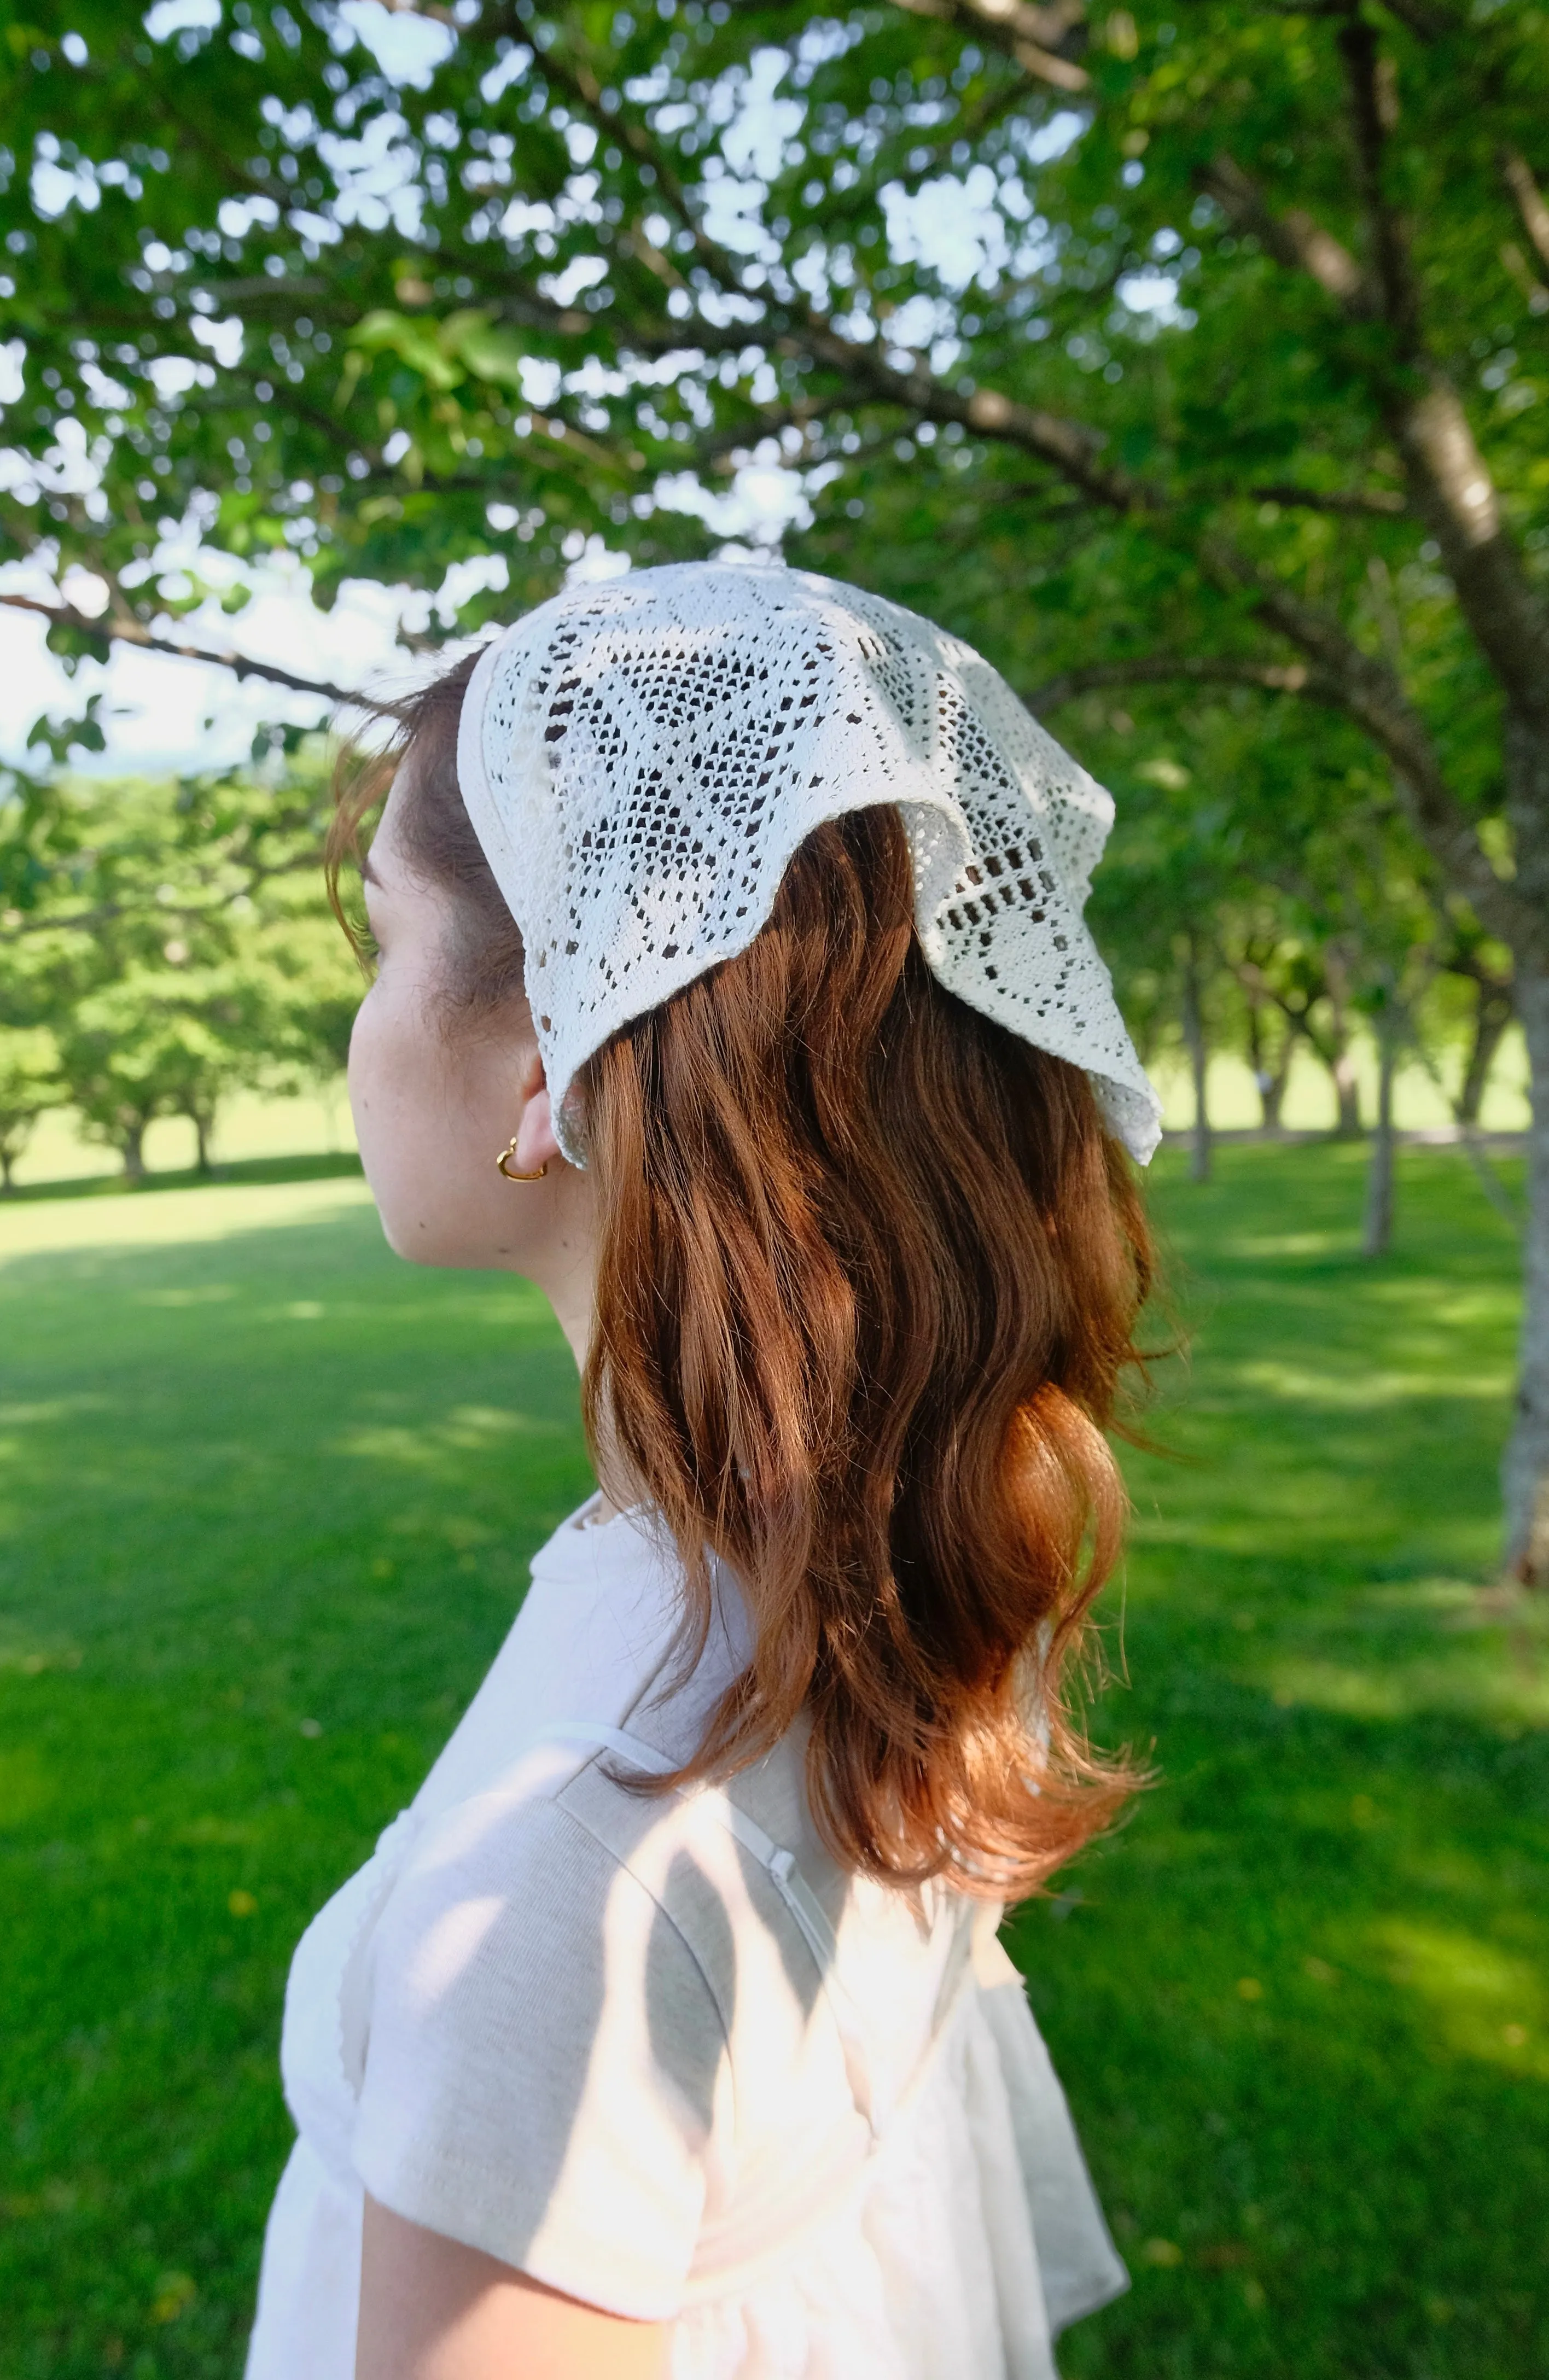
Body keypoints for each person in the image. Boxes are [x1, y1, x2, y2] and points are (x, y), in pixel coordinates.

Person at [245, 563, 1162, 2380]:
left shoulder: (569, 1876)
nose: (351, 1028)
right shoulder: (891, 1551)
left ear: (544, 1059)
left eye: (381, 942)